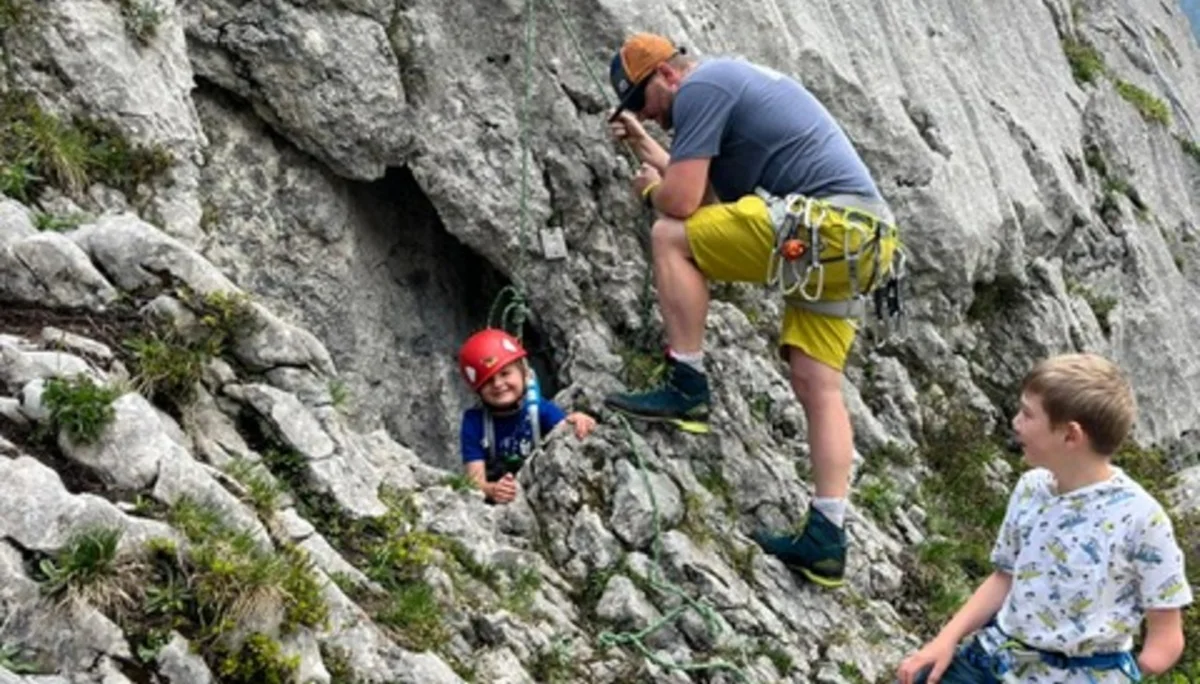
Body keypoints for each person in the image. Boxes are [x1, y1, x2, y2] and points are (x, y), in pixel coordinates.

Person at [603, 32, 901, 587]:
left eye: (642, 102)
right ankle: (827, 538)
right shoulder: (725, 91)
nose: (650, 115)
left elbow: (684, 206)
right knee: (817, 383)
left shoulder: (703, 86)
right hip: (862, 241)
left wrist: (649, 193)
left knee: (670, 235)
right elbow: (716, 207)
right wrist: (646, 147)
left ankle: (686, 383)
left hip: (822, 229)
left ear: (667, 75)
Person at [897, 353, 1192, 683]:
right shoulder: (1031, 487)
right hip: (992, 662)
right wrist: (944, 641)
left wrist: (1126, 674)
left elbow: (1166, 636)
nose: (1015, 422)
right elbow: (1003, 578)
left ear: (1070, 435)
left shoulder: (1143, 519)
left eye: (1027, 414)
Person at [458, 328, 596, 503]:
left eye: (505, 373)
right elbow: (475, 482)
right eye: (488, 380)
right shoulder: (474, 422)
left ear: (523, 372)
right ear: (478, 390)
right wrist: (492, 490)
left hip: (540, 489)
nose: (498, 384)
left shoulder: (538, 409)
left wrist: (578, 419)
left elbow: (565, 429)